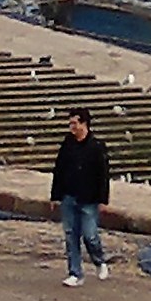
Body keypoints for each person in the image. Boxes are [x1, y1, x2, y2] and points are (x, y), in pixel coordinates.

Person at [50, 107, 110, 287]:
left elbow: (103, 174)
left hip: (89, 199)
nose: (71, 127)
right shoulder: (67, 144)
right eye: (70, 123)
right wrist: (55, 195)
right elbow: (59, 169)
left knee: (90, 235)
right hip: (69, 196)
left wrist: (103, 199)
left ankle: (99, 261)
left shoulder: (96, 147)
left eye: (74, 123)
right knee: (70, 235)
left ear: (84, 124)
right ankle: (75, 272)